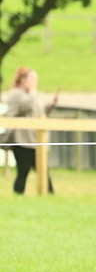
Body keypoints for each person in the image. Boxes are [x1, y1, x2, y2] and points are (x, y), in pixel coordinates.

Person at [4, 67, 57, 195]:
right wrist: (32, 93)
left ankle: (50, 194)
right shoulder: (16, 94)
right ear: (23, 80)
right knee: (23, 170)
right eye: (32, 79)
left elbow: (39, 113)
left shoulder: (31, 95)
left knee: (43, 169)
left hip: (35, 140)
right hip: (21, 140)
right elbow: (23, 107)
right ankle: (18, 194)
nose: (34, 82)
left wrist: (51, 105)